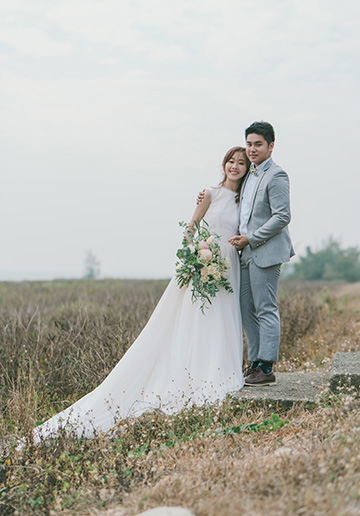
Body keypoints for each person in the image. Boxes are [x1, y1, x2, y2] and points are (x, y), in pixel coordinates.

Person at [29, 147, 249, 445]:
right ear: (222, 165)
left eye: (241, 163)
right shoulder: (209, 193)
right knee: (198, 319)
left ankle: (219, 368)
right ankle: (194, 372)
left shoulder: (243, 198)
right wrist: (199, 255)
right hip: (205, 262)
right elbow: (191, 229)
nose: (234, 167)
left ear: (247, 168)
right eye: (230, 162)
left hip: (228, 266)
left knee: (223, 318)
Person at [228, 121, 294, 386]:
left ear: (271, 146)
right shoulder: (249, 175)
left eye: (258, 144)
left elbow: (282, 216)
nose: (252, 149)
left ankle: (266, 367)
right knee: (246, 309)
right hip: (244, 253)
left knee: (265, 307)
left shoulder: (277, 175)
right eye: (249, 144)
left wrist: (250, 239)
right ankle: (255, 362)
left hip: (265, 251)